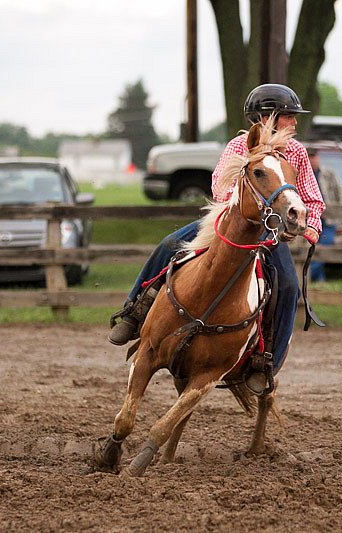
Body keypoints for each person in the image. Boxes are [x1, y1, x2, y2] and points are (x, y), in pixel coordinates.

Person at [108, 83, 325, 393]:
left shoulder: (297, 154)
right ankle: (133, 311)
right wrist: (244, 210)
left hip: (269, 233)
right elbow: (220, 185)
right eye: (290, 116)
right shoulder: (239, 146)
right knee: (169, 245)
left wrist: (312, 225)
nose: (294, 122)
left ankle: (266, 362)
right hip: (228, 223)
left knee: (288, 286)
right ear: (269, 118)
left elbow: (311, 199)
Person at [307, 147, 342, 282]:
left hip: (327, 219)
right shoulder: (301, 174)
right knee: (309, 248)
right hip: (309, 219)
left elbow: (340, 194)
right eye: (309, 157)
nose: (312, 160)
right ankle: (317, 279)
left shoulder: (328, 174)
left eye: (314, 156)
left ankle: (309, 277)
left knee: (326, 245)